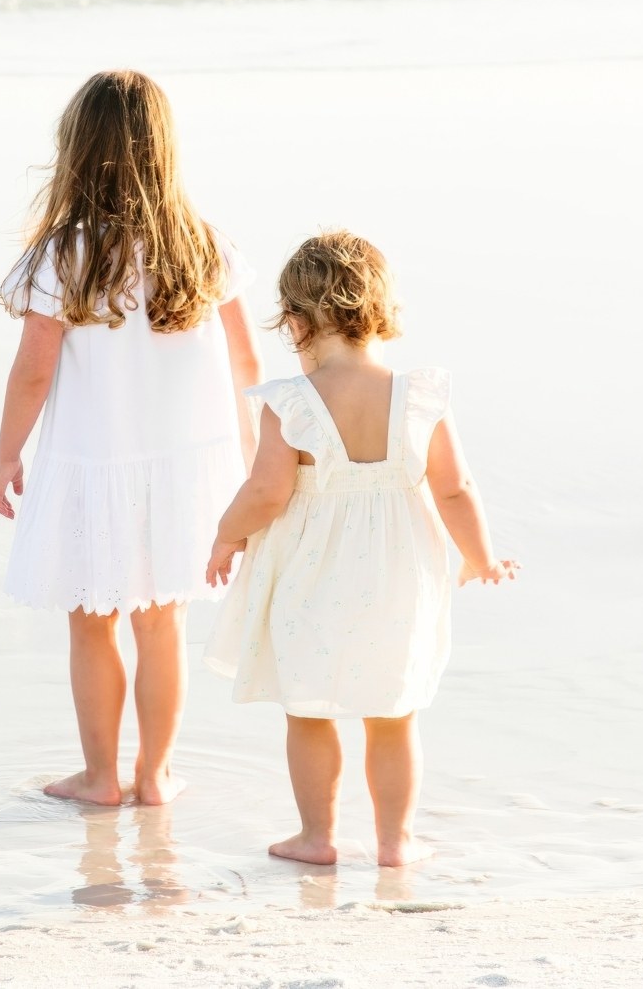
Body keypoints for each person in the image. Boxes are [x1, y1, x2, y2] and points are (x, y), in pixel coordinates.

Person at [204, 230, 518, 865]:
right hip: (400, 575)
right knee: (394, 712)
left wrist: (225, 535)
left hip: (310, 576)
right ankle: (394, 842)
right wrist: (480, 557)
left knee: (308, 710)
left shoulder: (289, 403)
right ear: (379, 311)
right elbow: (454, 488)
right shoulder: (420, 395)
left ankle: (317, 838)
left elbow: (266, 491)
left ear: (293, 322)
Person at [0, 70, 260, 807]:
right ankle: (155, 776)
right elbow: (247, 360)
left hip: (91, 463)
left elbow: (32, 370)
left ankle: (101, 777)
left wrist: (7, 452)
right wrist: (245, 451)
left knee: (92, 624)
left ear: (75, 151)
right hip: (184, 466)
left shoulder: (62, 255)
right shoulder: (205, 246)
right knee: (161, 623)